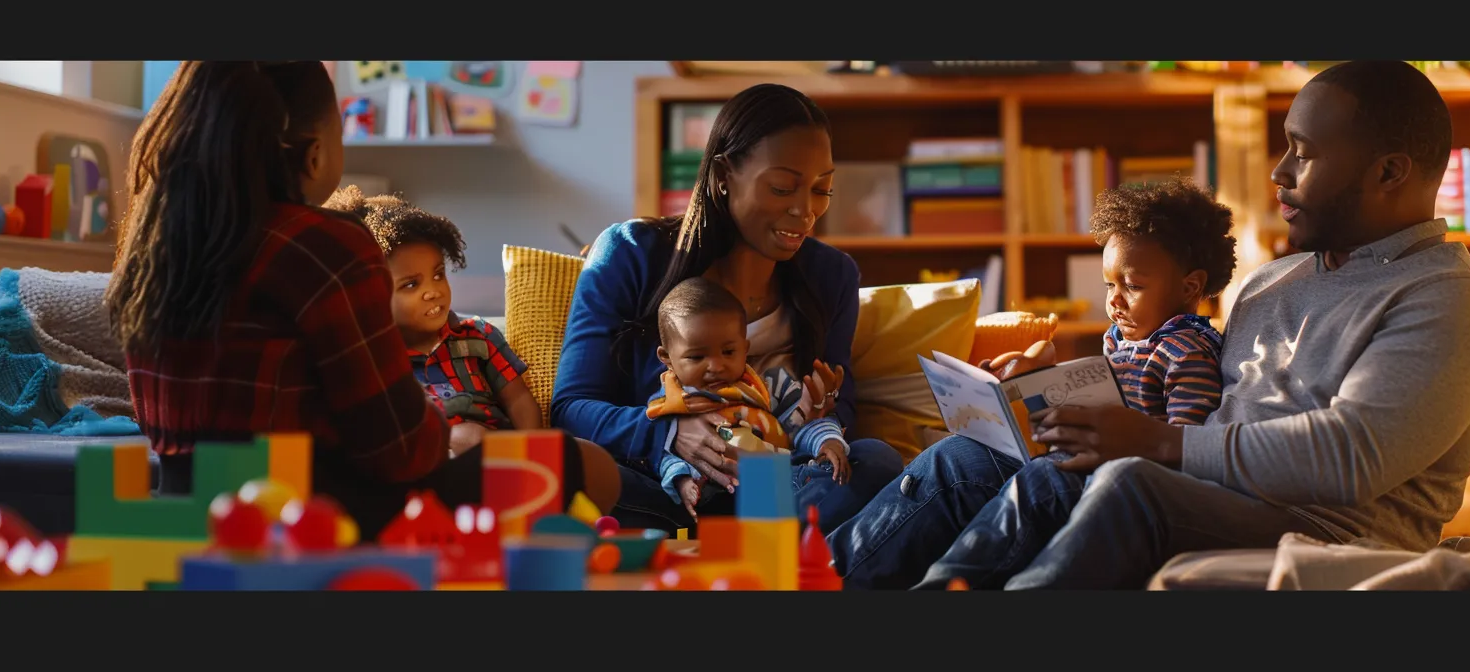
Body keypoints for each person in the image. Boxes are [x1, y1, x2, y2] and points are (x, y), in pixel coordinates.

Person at [828, 60, 1470, 590]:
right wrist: (1058, 396)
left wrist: (1158, 446)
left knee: (1127, 485)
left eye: (1303, 153)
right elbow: (1183, 396)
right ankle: (814, 581)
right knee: (979, 461)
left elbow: (1351, 457)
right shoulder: (1274, 281)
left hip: (1329, 530)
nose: (1279, 172)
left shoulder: (1449, 299)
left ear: (1390, 171)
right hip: (1202, 488)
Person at [107, 61, 618, 538]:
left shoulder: (154, 251)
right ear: (313, 153)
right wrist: (444, 431)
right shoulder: (327, 244)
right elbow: (399, 451)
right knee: (590, 464)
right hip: (312, 514)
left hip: (186, 508)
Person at [552, 83, 903, 535]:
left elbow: (841, 407)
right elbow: (571, 407)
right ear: (723, 173)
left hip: (779, 487)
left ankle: (748, 545)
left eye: (822, 190)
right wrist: (670, 432)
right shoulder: (631, 253)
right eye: (782, 187)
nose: (805, 211)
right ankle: (760, 549)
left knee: (874, 459)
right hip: (664, 485)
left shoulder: (831, 276)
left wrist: (824, 415)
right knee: (567, 467)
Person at [914, 177, 1236, 588]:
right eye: (1109, 285)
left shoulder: (1185, 351)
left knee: (1031, 488)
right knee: (967, 461)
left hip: (1118, 485)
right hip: (1088, 463)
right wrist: (1040, 378)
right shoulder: (1122, 339)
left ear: (1190, 286)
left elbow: (1184, 445)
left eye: (1132, 287)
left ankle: (949, 583)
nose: (1114, 301)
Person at [322, 186, 543, 456]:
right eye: (411, 284)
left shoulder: (478, 336)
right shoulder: (374, 358)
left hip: (502, 456)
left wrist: (534, 450)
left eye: (438, 275)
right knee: (467, 438)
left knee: (586, 454)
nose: (433, 291)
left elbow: (518, 398)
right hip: (428, 460)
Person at [647, 276, 852, 519]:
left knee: (870, 456)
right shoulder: (670, 404)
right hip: (718, 494)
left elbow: (804, 425)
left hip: (784, 477)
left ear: (745, 349)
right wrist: (681, 480)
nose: (716, 366)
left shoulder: (769, 387)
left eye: (728, 352)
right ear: (667, 357)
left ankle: (808, 509)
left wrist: (828, 442)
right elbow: (662, 456)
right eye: (697, 357)